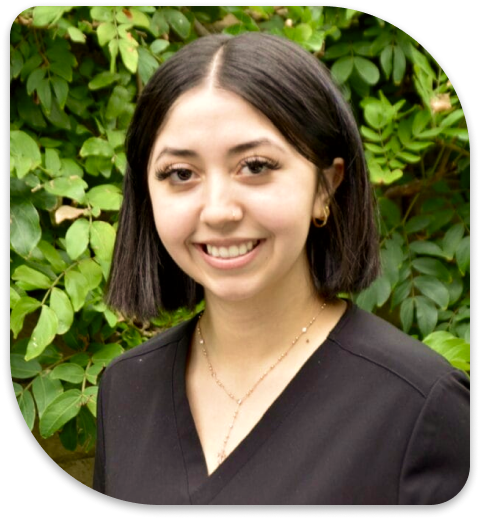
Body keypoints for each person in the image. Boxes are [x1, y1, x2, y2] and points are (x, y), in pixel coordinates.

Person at [94, 32, 470, 505]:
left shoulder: (420, 407)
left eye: (255, 166)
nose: (218, 211)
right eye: (181, 174)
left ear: (325, 187)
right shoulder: (126, 388)